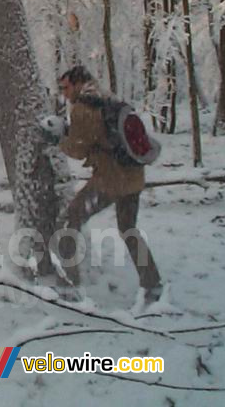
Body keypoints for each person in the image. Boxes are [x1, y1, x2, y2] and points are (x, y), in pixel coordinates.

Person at [55, 65, 162, 300]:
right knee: (129, 230)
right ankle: (152, 283)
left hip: (110, 180)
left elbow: (77, 149)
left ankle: (68, 284)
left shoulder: (83, 108)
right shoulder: (108, 98)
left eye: (65, 88)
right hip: (134, 176)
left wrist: (58, 137)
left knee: (70, 220)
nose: (64, 94)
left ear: (77, 84)